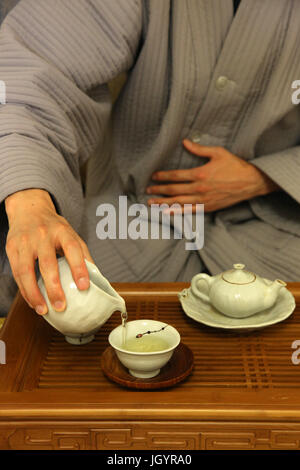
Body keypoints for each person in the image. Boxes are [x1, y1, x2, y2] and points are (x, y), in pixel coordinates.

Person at [0, 0, 300, 317]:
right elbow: (34, 75)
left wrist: (263, 177)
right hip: (125, 225)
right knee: (56, 304)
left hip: (274, 226)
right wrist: (30, 203)